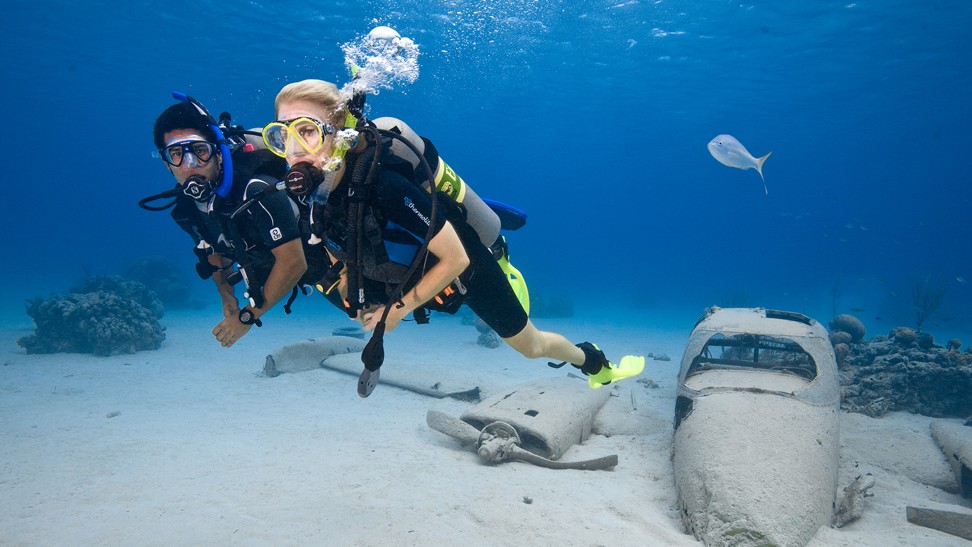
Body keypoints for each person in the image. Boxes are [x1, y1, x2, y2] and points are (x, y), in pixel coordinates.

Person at [263, 79, 645, 396]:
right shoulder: (315, 193)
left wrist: (395, 313)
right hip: (404, 265)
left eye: (308, 131)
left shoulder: (386, 187)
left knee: (532, 346)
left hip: (466, 265)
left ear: (340, 134)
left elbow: (457, 258)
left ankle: (594, 361)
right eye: (282, 135)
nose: (294, 151)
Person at [145, 94, 321, 348]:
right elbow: (212, 249)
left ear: (218, 153)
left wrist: (247, 316)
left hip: (326, 258)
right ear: (166, 163)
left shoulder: (257, 190)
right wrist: (226, 297)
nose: (190, 164)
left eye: (199, 151)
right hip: (273, 269)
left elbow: (293, 262)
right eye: (176, 154)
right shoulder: (186, 207)